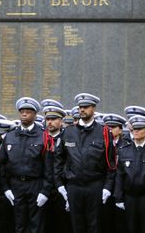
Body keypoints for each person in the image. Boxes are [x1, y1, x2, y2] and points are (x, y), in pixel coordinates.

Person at [55, 93, 116, 233]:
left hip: (94, 185)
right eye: (80, 107)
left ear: (93, 108)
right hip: (74, 186)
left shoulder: (104, 133)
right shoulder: (68, 132)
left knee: (94, 225)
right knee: (76, 225)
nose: (82, 110)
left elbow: (111, 163)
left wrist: (107, 187)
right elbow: (59, 160)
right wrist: (60, 184)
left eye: (86, 107)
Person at [0, 97, 53, 233]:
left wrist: (45, 191)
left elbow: (49, 167)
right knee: (19, 223)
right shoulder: (10, 136)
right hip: (16, 184)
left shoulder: (44, 136)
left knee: (36, 224)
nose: (24, 114)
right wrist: (6, 188)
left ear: (35, 115)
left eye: (28, 111)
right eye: (22, 111)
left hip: (35, 184)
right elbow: (2, 164)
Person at [114, 115, 145, 233]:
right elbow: (119, 175)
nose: (136, 131)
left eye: (140, 129)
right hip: (129, 196)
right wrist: (118, 197)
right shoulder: (124, 149)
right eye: (134, 129)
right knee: (130, 227)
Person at [40, 100, 72, 233]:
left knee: (64, 225)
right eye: (47, 119)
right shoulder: (40, 139)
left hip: (63, 190)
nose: (50, 122)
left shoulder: (68, 139)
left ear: (61, 121)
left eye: (53, 119)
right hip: (42, 189)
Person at [101, 113, 127, 233]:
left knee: (120, 221)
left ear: (121, 130)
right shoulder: (103, 144)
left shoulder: (126, 146)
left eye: (113, 127)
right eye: (108, 127)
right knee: (105, 220)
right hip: (104, 187)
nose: (110, 130)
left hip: (120, 189)